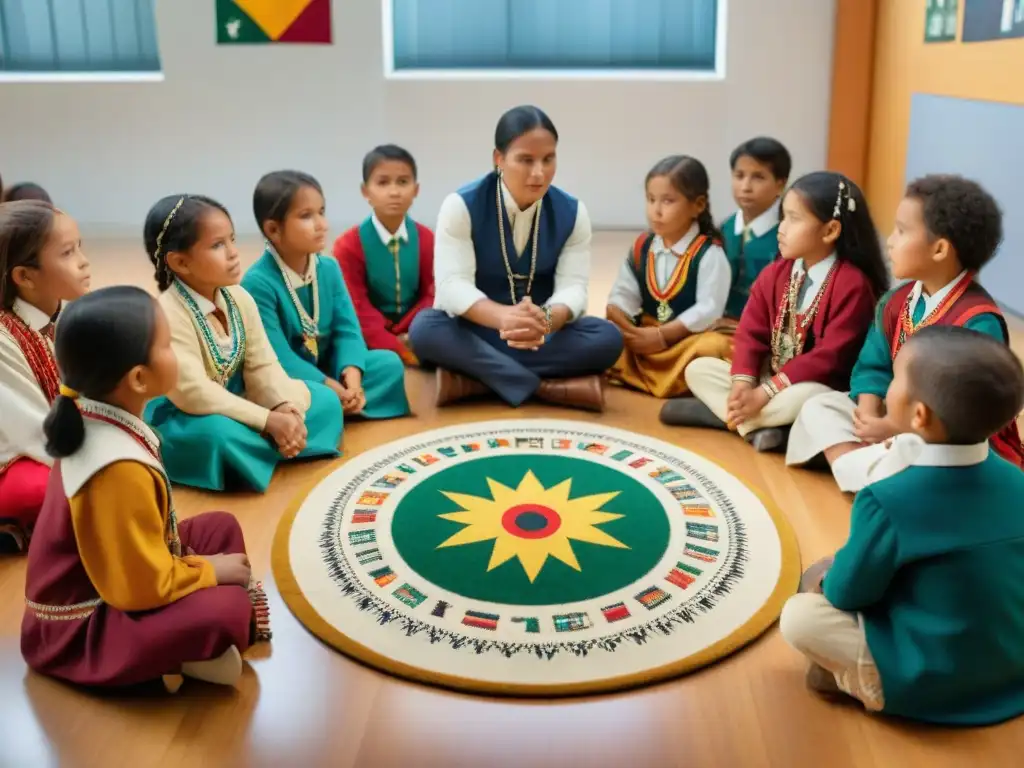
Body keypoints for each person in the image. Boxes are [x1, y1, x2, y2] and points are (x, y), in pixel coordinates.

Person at [22, 286, 269, 691]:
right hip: (81, 625)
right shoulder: (116, 469)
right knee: (226, 610)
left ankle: (184, 655)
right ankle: (176, 660)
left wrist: (202, 567)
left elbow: (140, 545)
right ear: (139, 378)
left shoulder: (97, 412)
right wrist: (209, 571)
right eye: (169, 345)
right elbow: (136, 588)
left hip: (123, 575)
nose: (177, 351)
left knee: (221, 527)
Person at [780, 326, 1024, 725]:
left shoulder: (885, 499)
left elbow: (845, 595)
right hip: (1011, 668)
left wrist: (831, 578)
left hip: (927, 678)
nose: (887, 388)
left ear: (919, 415)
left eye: (895, 381)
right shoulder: (1018, 481)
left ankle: (865, 681)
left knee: (802, 611)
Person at [786, 175, 1024, 490]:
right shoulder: (895, 302)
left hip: (944, 435)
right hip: (893, 418)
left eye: (901, 231)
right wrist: (869, 412)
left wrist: (895, 427)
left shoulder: (977, 321)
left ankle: (866, 475)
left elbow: (967, 416)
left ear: (939, 249)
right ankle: (877, 475)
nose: (890, 241)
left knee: (922, 453)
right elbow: (873, 364)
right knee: (820, 407)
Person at [408, 105, 623, 412]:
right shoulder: (461, 205)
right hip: (480, 327)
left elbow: (574, 288)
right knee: (426, 328)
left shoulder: (573, 212)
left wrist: (545, 320)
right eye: (526, 160)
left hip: (540, 334)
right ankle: (543, 387)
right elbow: (452, 286)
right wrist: (504, 318)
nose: (539, 172)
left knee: (607, 338)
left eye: (548, 159)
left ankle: (479, 380)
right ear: (499, 159)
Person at [661, 172, 887, 453]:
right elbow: (750, 332)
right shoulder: (776, 273)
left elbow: (829, 358)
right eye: (783, 217)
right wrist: (743, 384)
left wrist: (765, 393)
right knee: (699, 369)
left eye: (794, 219)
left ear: (830, 231)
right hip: (771, 379)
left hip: (815, 387)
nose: (781, 228)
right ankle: (760, 425)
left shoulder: (852, 285)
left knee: (810, 399)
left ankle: (733, 420)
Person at [142, 194, 342, 493]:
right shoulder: (167, 312)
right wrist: (267, 420)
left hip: (244, 401)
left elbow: (263, 365)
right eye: (217, 245)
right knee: (217, 436)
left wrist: (286, 409)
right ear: (180, 262)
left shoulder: (240, 298)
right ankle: (277, 442)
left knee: (324, 402)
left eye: (232, 240)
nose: (234, 253)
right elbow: (194, 394)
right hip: (192, 413)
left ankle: (273, 443)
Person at [243, 170, 409, 423]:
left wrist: (352, 378)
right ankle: (334, 406)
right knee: (308, 396)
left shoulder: (328, 268)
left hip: (331, 370)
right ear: (273, 229)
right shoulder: (258, 283)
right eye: (306, 216)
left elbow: (348, 329)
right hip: (294, 379)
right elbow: (279, 358)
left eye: (321, 212)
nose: (322, 224)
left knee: (388, 364)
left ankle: (343, 405)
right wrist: (332, 386)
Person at [0, 200, 90, 551]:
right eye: (68, 253)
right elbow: (33, 431)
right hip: (18, 452)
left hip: (56, 438)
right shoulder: (5, 338)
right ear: (24, 277)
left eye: (80, 247)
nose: (84, 261)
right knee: (39, 489)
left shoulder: (67, 314)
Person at [605, 155, 733, 398]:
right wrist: (626, 326)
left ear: (698, 205)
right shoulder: (642, 246)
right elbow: (623, 293)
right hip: (644, 336)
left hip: (685, 340)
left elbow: (709, 308)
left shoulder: (709, 254)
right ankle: (666, 380)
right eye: (651, 200)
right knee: (602, 332)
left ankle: (667, 379)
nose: (656, 210)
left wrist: (663, 336)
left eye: (668, 201)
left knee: (713, 348)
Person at [333, 145, 435, 365]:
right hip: (368, 334)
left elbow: (432, 294)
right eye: (383, 182)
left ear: (416, 189)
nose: (394, 192)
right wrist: (395, 344)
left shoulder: (428, 239)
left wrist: (411, 332)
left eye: (403, 182)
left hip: (418, 330)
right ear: (365, 191)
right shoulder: (348, 245)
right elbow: (357, 306)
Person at [719, 137, 791, 326]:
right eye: (739, 175)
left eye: (758, 177)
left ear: (780, 184)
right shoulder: (724, 229)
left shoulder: (789, 235)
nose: (745, 187)